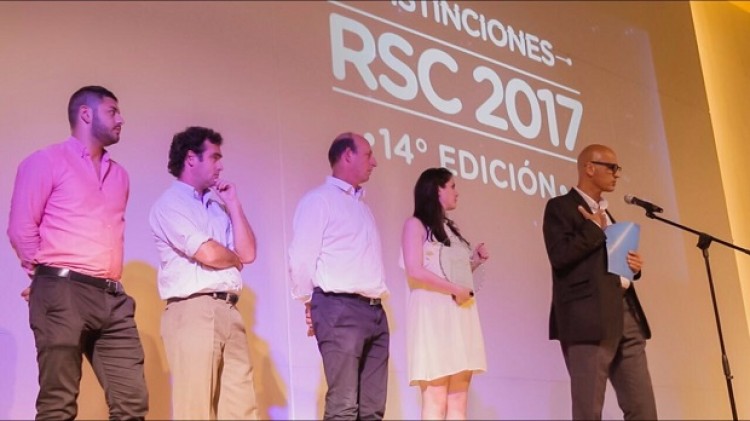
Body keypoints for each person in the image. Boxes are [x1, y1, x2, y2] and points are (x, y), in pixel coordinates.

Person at [7, 85, 149, 420]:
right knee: (59, 403)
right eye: (112, 111)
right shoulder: (46, 161)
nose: (121, 119)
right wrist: (45, 278)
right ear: (86, 114)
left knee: (131, 402)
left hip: (112, 297)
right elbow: (21, 228)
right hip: (63, 291)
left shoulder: (120, 175)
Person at [149, 126, 258, 420]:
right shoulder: (170, 204)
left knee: (241, 409)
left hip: (228, 309)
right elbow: (208, 254)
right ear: (190, 158)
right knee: (195, 409)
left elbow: (248, 253)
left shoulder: (217, 208)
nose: (220, 166)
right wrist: (233, 258)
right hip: (193, 310)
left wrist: (233, 204)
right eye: (214, 157)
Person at [542, 144, 657, 420]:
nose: (617, 174)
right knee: (589, 410)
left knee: (643, 409)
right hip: (588, 320)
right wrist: (593, 227)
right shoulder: (560, 207)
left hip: (626, 314)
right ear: (589, 168)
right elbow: (560, 256)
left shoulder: (607, 213)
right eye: (612, 167)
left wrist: (632, 268)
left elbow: (604, 263)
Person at [288, 132, 390, 419]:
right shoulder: (319, 201)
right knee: (344, 406)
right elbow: (301, 257)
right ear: (347, 155)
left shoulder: (362, 207)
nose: (374, 162)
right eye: (368, 155)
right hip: (339, 309)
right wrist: (309, 303)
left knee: (372, 409)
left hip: (375, 311)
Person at [400, 167, 489, 420]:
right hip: (433, 314)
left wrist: (474, 262)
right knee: (435, 398)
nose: (456, 193)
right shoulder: (415, 225)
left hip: (459, 313)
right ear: (436, 190)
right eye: (452, 186)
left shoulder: (450, 228)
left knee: (459, 400)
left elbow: (450, 272)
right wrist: (455, 290)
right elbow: (415, 270)